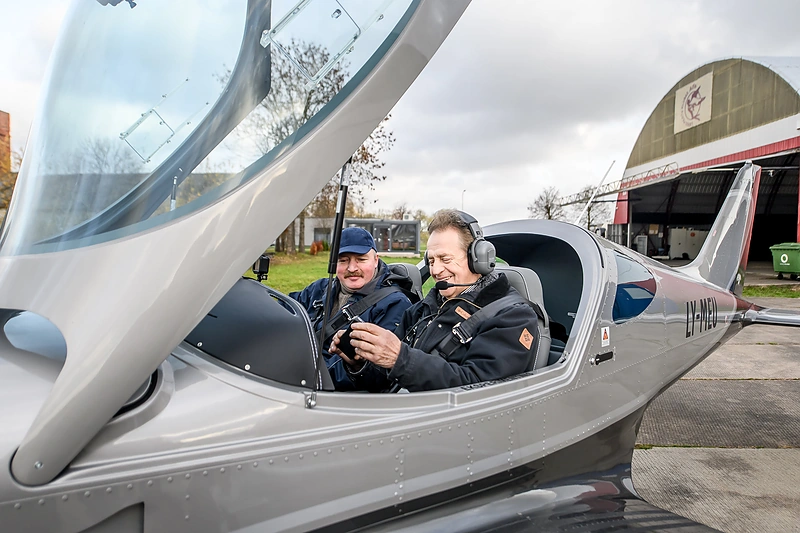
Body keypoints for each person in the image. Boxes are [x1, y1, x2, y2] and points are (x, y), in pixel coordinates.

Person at [331, 209, 540, 392]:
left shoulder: (513, 317)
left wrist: (400, 358)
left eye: (445, 259)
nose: (435, 270)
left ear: (478, 258)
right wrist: (359, 362)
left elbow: (480, 388)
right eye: (431, 260)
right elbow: (386, 380)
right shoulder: (424, 309)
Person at [290, 226, 415, 391]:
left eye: (361, 260)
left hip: (335, 393)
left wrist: (307, 374)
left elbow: (378, 374)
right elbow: (285, 310)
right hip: (299, 376)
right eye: (343, 260)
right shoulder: (321, 288)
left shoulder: (394, 304)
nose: (352, 268)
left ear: (375, 260)